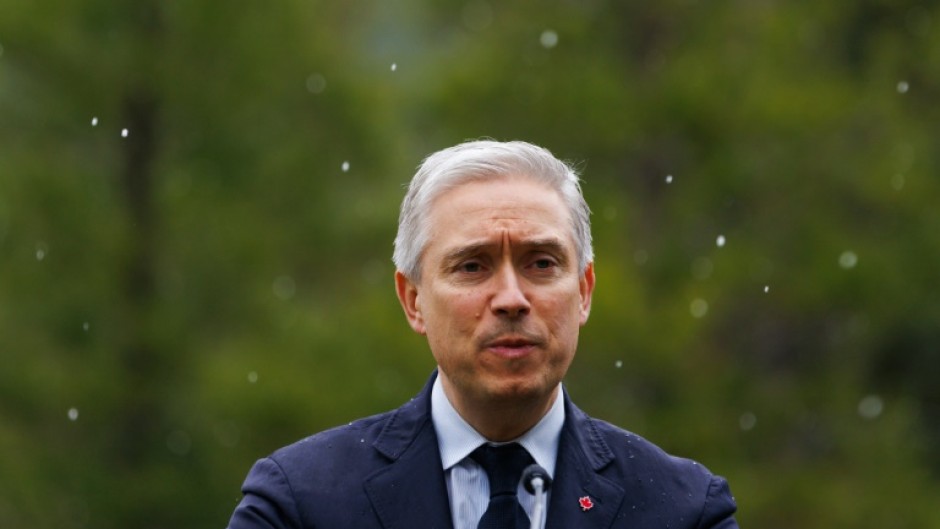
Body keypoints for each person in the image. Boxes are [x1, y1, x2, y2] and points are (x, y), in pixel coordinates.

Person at [226, 140, 739, 529]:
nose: (512, 298)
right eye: (472, 266)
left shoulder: (683, 510)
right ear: (413, 300)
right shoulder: (300, 505)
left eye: (541, 263)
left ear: (583, 291)